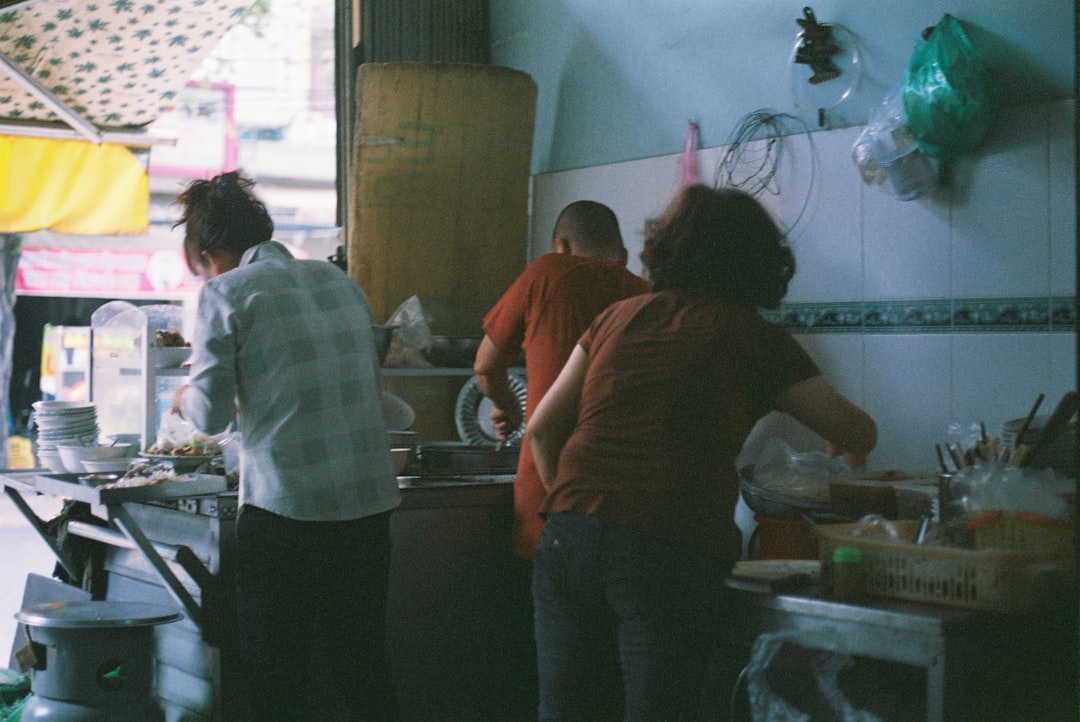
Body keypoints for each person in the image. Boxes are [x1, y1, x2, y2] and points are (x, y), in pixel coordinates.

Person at [526, 184, 877, 721]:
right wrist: (844, 438)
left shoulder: (617, 318)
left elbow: (543, 432)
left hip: (567, 537)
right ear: (760, 263)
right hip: (666, 550)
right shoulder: (752, 337)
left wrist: (584, 515)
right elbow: (860, 431)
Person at [170, 171, 401, 721]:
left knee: (278, 678)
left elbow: (208, 415)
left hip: (287, 513)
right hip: (368, 512)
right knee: (363, 666)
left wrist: (182, 394)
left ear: (208, 254)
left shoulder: (225, 293)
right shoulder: (339, 282)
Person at [473, 200, 649, 716]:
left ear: (561, 245)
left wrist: (506, 405)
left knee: (548, 680)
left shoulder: (548, 272)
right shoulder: (644, 294)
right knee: (610, 679)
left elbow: (486, 366)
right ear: (621, 253)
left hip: (549, 507)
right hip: (625, 513)